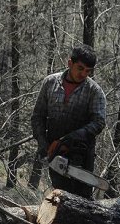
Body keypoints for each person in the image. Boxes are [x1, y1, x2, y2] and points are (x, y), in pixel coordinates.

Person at [31, 44, 106, 199]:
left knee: (82, 199)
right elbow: (38, 115)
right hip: (55, 152)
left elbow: (98, 122)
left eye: (88, 71)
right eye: (80, 68)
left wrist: (71, 138)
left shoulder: (94, 91)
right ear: (70, 63)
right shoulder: (50, 83)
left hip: (82, 154)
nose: (83, 74)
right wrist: (42, 142)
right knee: (60, 196)